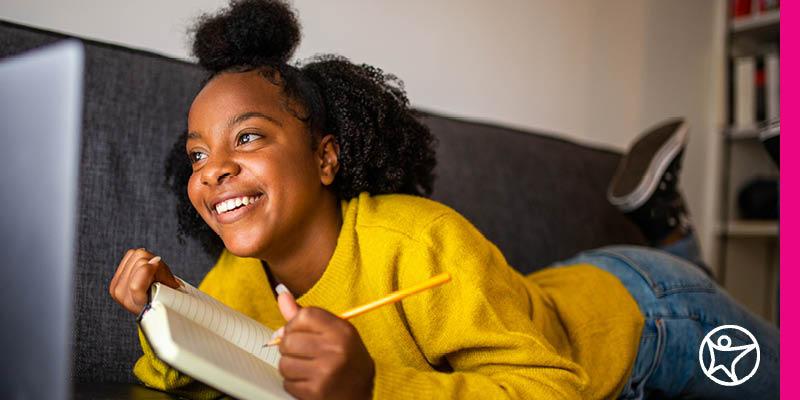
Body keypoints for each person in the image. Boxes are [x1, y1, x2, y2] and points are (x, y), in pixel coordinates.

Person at [108, 1, 779, 399]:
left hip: (646, 319)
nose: (213, 169)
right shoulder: (236, 279)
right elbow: (198, 379)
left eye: (247, 137)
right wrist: (170, 309)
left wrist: (375, 388)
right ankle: (666, 224)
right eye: (197, 154)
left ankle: (667, 243)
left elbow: (554, 388)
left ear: (325, 156)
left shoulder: (419, 240)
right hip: (541, 299)